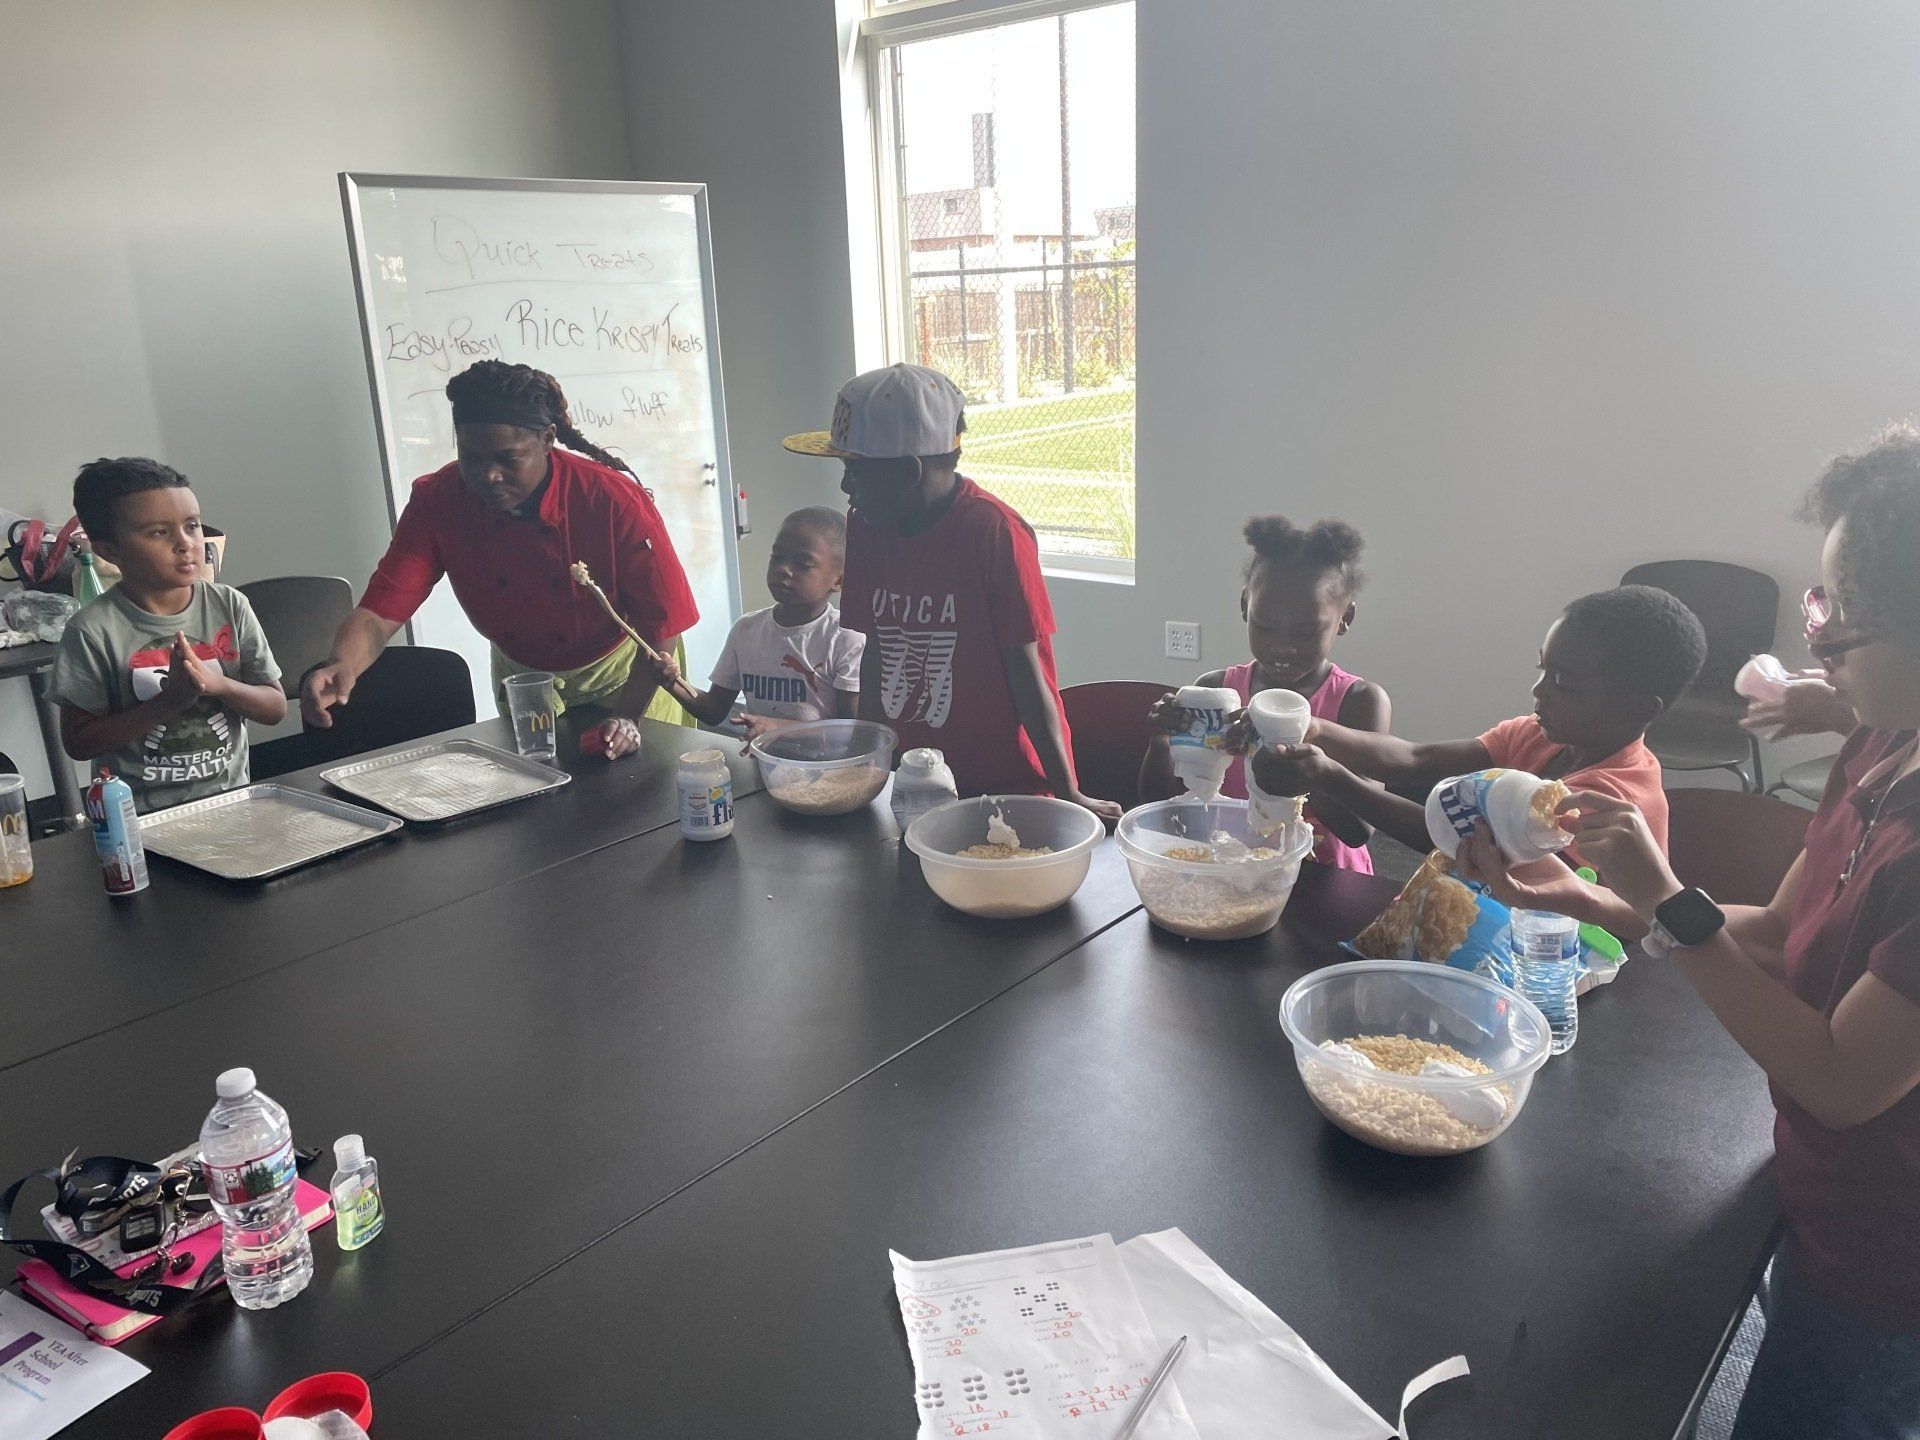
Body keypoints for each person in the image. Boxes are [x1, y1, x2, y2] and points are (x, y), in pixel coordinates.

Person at [1468, 424, 1920, 1438]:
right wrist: (1589, 900)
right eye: (1825, 601)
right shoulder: (1880, 751)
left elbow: (1845, 1081)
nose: (1822, 640)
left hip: (1890, 1258)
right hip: (1808, 1192)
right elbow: (1773, 935)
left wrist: (1666, 896)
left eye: (1849, 613)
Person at [302, 361, 698, 759]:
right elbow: (380, 612)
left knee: (643, 798)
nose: (488, 475)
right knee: (542, 802)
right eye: (470, 457)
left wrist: (628, 717)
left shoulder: (610, 499)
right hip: (526, 682)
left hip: (628, 678)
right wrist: (342, 665)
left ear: (548, 439)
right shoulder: (438, 502)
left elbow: (660, 625)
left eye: (508, 460)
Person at [783, 364, 1119, 820]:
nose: (845, 487)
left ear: (907, 473)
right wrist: (875, 767)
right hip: (919, 781)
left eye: (854, 471)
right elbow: (876, 651)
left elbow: (1026, 670)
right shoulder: (864, 527)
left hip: (1005, 783)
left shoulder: (994, 532)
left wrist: (1068, 793)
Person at [1250, 585, 1707, 866]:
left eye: (1564, 683)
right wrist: (1314, 728)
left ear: (1637, 709)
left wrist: (1332, 777)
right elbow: (1416, 759)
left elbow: (1469, 847)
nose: (1539, 692)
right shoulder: (1537, 734)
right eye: (1543, 669)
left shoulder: (1610, 799)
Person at [1140, 515, 1388, 871]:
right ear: (1245, 606)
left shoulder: (1359, 701)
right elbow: (1160, 803)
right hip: (1235, 866)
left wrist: (1301, 767)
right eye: (1265, 626)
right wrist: (1162, 741)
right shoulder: (1217, 692)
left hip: (1326, 876)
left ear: (1345, 618)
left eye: (1305, 633)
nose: (1282, 647)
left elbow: (1359, 829)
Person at [49, 458, 285, 811]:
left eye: (191, 525)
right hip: (140, 819)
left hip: (230, 803)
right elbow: (79, 743)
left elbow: (275, 707)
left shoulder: (229, 605)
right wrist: (169, 703)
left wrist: (218, 685)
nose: (185, 543)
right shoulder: (92, 631)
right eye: (158, 532)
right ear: (109, 550)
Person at [653, 506, 862, 741]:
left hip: (826, 773)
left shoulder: (846, 638)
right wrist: (673, 682)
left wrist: (780, 729)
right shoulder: (746, 631)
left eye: (803, 564)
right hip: (765, 766)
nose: (783, 569)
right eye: (778, 557)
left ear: (839, 580)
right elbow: (713, 711)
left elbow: (850, 732)